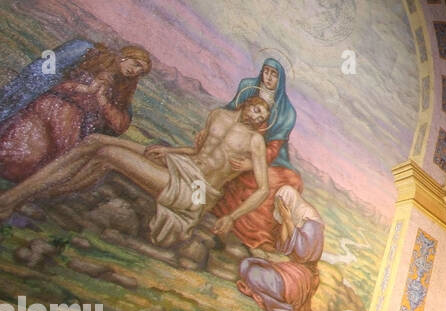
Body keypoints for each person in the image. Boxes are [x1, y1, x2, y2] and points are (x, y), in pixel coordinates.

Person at [0, 97, 271, 248]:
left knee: (107, 155)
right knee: (94, 143)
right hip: (180, 164)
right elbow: (198, 152)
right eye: (257, 108)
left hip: (195, 191)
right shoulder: (217, 116)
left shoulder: (254, 142)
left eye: (263, 116)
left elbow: (263, 188)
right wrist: (171, 152)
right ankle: (23, 195)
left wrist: (231, 217)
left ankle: (15, 199)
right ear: (245, 104)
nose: (259, 116)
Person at [0, 42, 151, 184]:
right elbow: (53, 80)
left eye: (141, 71)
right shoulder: (92, 58)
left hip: (71, 127)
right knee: (22, 149)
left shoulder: (123, 89)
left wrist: (102, 100)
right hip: (47, 110)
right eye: (136, 64)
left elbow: (119, 124)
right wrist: (83, 89)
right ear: (125, 56)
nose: (135, 71)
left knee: (39, 164)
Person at [211, 59, 302, 250]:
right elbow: (228, 114)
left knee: (286, 183)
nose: (268, 77)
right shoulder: (248, 87)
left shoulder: (287, 112)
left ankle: (256, 236)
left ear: (281, 79)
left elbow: (274, 148)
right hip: (238, 143)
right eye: (265, 71)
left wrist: (251, 164)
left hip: (268, 158)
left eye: (273, 74)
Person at [237, 185, 324, 311]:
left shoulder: (312, 222)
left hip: (302, 276)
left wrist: (289, 220)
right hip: (290, 268)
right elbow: (282, 248)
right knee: (246, 264)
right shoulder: (294, 215)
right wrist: (285, 220)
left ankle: (280, 307)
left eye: (281, 205)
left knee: (254, 273)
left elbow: (303, 253)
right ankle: (269, 294)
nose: (279, 209)